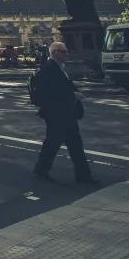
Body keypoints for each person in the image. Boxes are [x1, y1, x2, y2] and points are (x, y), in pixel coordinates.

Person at [33, 41, 94, 183]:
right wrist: (73, 95)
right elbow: (51, 91)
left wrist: (75, 92)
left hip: (66, 112)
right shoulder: (48, 69)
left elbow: (66, 86)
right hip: (56, 113)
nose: (66, 54)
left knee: (74, 146)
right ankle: (41, 170)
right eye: (63, 52)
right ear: (54, 53)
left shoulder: (60, 68)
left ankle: (83, 176)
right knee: (53, 144)